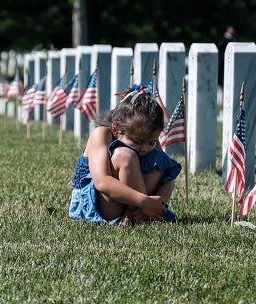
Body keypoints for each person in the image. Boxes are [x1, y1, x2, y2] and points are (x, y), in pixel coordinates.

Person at [68, 85, 181, 224]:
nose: (145, 147)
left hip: (137, 203)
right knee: (125, 155)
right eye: (138, 141)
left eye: (151, 142)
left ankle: (139, 214)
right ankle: (140, 213)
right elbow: (101, 182)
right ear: (116, 129)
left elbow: (167, 177)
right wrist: (144, 202)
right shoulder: (101, 135)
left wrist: (157, 203)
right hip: (98, 202)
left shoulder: (149, 140)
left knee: (159, 162)